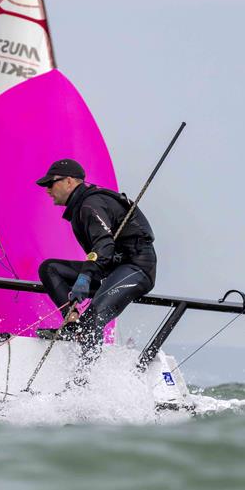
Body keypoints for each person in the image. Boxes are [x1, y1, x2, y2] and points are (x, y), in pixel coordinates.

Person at [35, 159, 157, 381]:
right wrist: (88, 275)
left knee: (93, 317)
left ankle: (85, 382)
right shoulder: (81, 205)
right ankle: (71, 323)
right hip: (108, 269)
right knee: (50, 269)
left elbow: (104, 245)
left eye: (50, 184)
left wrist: (85, 277)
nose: (47, 190)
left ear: (69, 181)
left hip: (137, 267)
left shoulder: (90, 204)